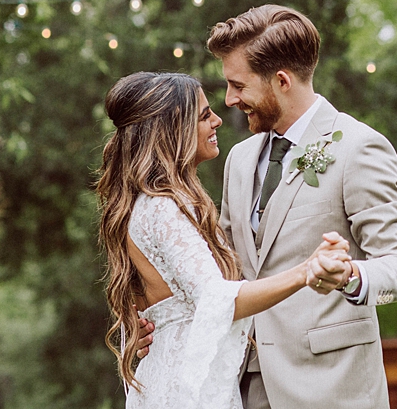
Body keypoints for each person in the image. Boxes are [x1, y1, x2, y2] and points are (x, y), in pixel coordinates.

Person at [136, 4, 397, 408]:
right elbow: (223, 270)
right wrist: (156, 321)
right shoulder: (239, 159)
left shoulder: (359, 148)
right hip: (246, 386)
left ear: (282, 81)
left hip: (332, 389)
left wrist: (350, 275)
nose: (231, 100)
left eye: (238, 85)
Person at [96, 71, 351, 409]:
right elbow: (217, 299)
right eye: (204, 116)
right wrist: (307, 270)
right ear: (174, 129)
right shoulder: (161, 207)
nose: (217, 120)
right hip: (186, 391)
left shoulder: (162, 203)